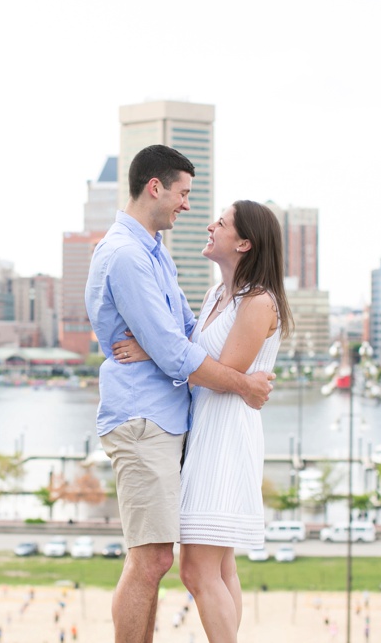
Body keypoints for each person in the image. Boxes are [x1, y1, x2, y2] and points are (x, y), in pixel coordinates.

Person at [85, 144, 274, 643]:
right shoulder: (127, 255)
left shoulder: (154, 253)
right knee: (150, 559)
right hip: (144, 418)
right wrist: (245, 384)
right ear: (155, 187)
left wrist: (155, 348)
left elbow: (180, 335)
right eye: (184, 193)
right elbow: (174, 350)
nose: (188, 206)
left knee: (162, 560)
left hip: (171, 419)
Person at [117, 200, 292, 642]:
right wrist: (159, 347)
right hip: (205, 434)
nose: (210, 226)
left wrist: (158, 348)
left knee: (197, 571)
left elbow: (223, 372)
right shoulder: (219, 296)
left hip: (226, 438)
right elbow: (196, 358)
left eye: (223, 222)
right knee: (220, 566)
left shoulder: (258, 302)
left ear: (245, 243)